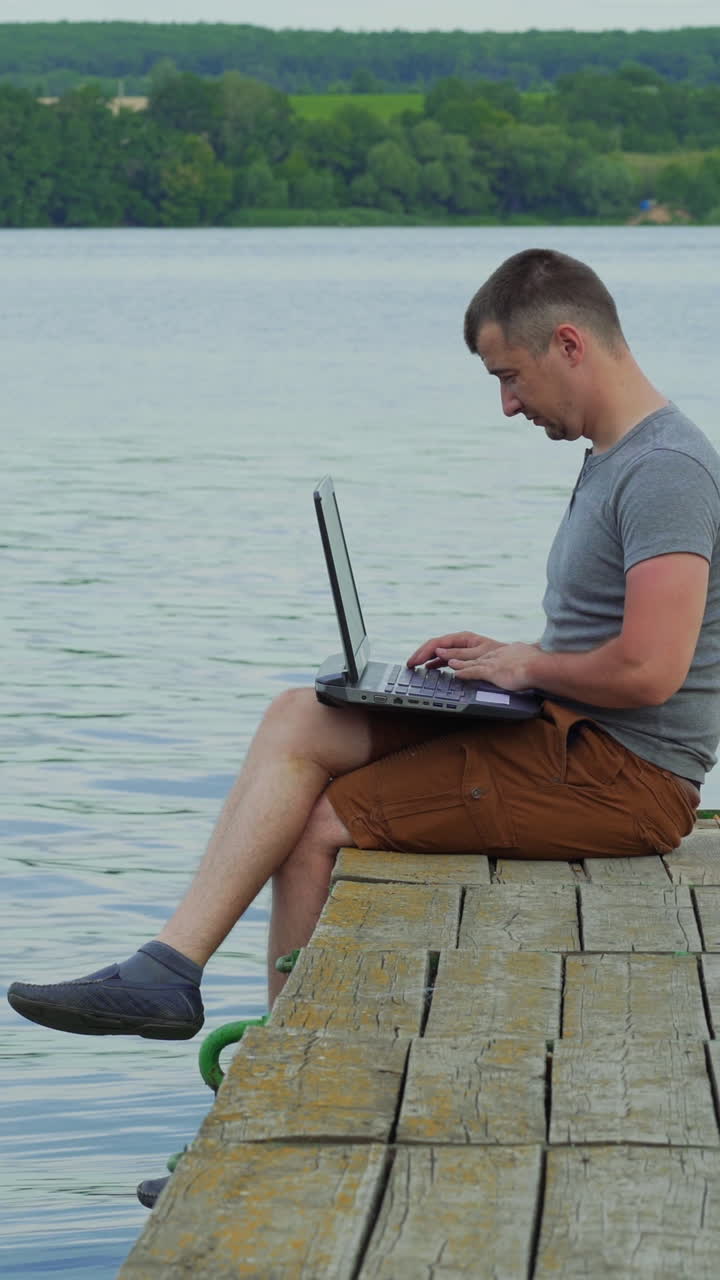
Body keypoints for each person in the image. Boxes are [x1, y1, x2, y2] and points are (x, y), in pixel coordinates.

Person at [8, 247, 720, 1043]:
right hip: (568, 733)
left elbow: (653, 671)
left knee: (318, 826)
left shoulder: (666, 469)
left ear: (569, 343)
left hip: (624, 779)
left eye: (508, 376)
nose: (509, 405)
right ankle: (170, 968)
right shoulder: (615, 458)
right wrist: (505, 660)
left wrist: (527, 665)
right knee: (299, 716)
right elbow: (617, 639)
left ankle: (281, 1077)